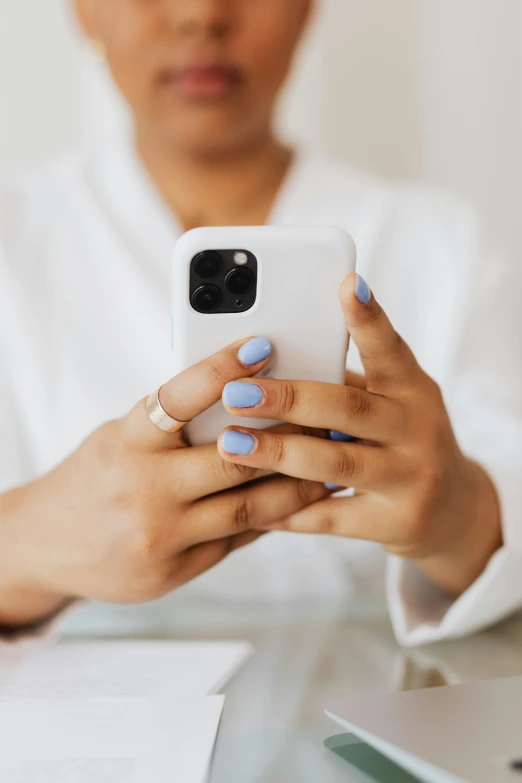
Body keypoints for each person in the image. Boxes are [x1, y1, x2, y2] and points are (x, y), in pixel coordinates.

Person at [0, 0, 520, 647]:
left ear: (308, 9)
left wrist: (458, 513)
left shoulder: (443, 245)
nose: (202, 14)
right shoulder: (12, 238)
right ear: (82, 10)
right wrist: (31, 537)